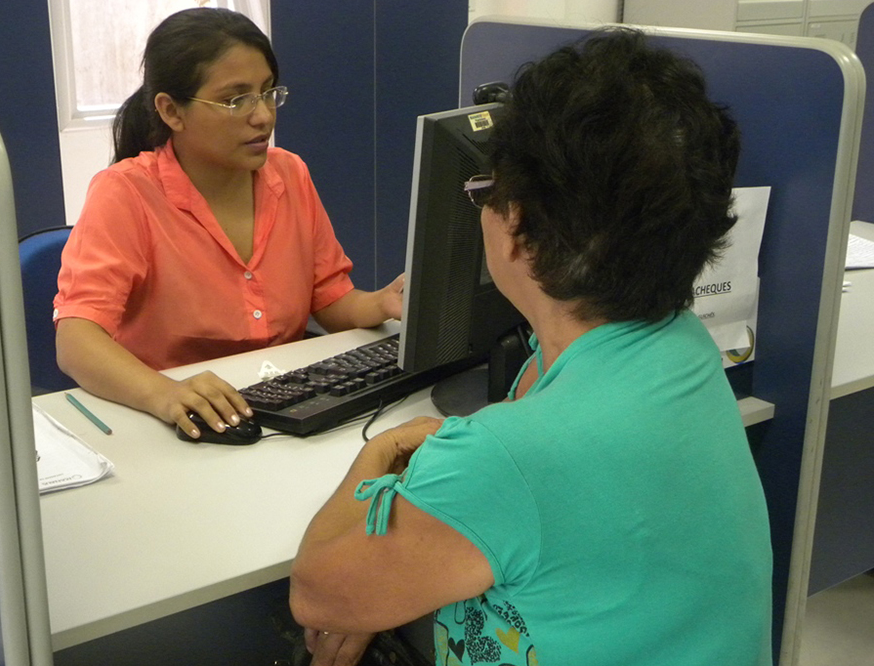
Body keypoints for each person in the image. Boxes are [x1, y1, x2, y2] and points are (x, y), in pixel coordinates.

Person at [290, 28, 773, 666]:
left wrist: (376, 456)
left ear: (516, 230)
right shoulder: (679, 343)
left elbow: (319, 595)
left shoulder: (507, 458)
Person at [53, 8, 402, 440]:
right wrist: (166, 394)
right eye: (237, 100)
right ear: (171, 111)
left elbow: (329, 298)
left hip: (283, 411)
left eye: (268, 92)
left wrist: (384, 303)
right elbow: (76, 341)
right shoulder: (125, 193)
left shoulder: (290, 174)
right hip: (174, 426)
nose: (263, 117)